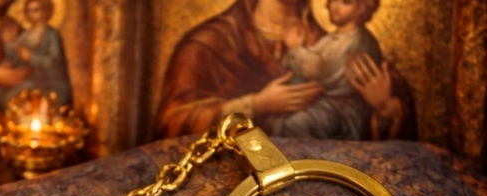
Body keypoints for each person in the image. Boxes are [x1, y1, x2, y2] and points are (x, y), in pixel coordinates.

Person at [155, 0, 416, 142]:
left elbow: (387, 131)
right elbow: (172, 122)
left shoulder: (338, 44)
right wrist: (255, 105)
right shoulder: (208, 44)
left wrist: (384, 109)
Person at [271, 0, 382, 139]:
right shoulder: (334, 38)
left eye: (346, 2)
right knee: (274, 122)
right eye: (333, 0)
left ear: (360, 9)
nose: (335, 6)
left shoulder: (356, 41)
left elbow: (317, 70)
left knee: (294, 124)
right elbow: (315, 57)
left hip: (343, 111)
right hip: (327, 104)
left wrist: (295, 48)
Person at [0, 0, 72, 110]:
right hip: (29, 77)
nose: (32, 14)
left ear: (46, 11)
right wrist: (8, 43)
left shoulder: (52, 35)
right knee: (0, 93)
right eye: (29, 11)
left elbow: (55, 61)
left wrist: (31, 58)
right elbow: (14, 52)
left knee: (25, 90)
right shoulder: (26, 34)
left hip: (49, 81)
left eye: (36, 10)